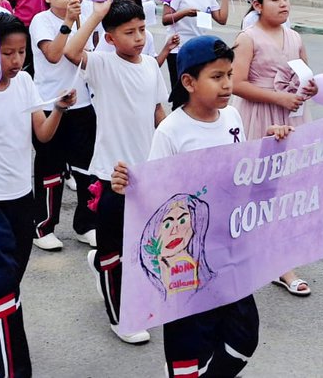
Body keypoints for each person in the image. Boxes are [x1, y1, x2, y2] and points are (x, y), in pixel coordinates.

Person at [111, 36, 292, 377]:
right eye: (217, 77)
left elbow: (245, 174)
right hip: (186, 260)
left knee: (243, 337)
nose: (227, 85)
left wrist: (272, 147)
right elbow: (155, 195)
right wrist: (127, 185)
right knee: (187, 345)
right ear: (189, 82)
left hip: (229, 251)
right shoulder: (172, 131)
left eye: (229, 75)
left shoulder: (233, 118)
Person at [0, 13, 76, 377]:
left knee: (6, 284)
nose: (16, 60)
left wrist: (58, 109)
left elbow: (42, 135)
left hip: (23, 200)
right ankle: (9, 370)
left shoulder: (25, 82)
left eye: (21, 52)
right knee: (5, 292)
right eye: (8, 53)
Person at [65, 0, 167, 344]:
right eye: (128, 32)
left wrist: (171, 152)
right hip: (112, 175)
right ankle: (120, 316)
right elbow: (71, 52)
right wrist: (96, 15)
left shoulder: (152, 65)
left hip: (147, 173)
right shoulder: (103, 65)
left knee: (141, 247)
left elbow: (158, 112)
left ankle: (109, 275)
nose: (138, 37)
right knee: (114, 251)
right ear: (110, 38)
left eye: (141, 30)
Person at [231, 0, 316, 296]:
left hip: (291, 118)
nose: (283, 4)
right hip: (258, 118)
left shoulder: (294, 37)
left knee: (287, 189)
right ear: (257, 4)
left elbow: (305, 75)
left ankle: (281, 263)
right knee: (256, 190)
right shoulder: (247, 38)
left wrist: (310, 88)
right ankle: (247, 252)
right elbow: (236, 83)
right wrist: (278, 98)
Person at [28, 0, 96, 251]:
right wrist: (68, 22)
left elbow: (90, 57)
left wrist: (85, 22)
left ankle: (86, 225)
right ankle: (42, 227)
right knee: (50, 170)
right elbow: (54, 55)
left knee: (86, 170)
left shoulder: (85, 17)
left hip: (83, 104)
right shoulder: (40, 21)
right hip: (49, 105)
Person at [162, 0, 230, 89]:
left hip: (199, 49)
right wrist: (185, 13)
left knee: (196, 92)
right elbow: (165, 19)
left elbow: (221, 19)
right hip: (178, 49)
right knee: (181, 92)